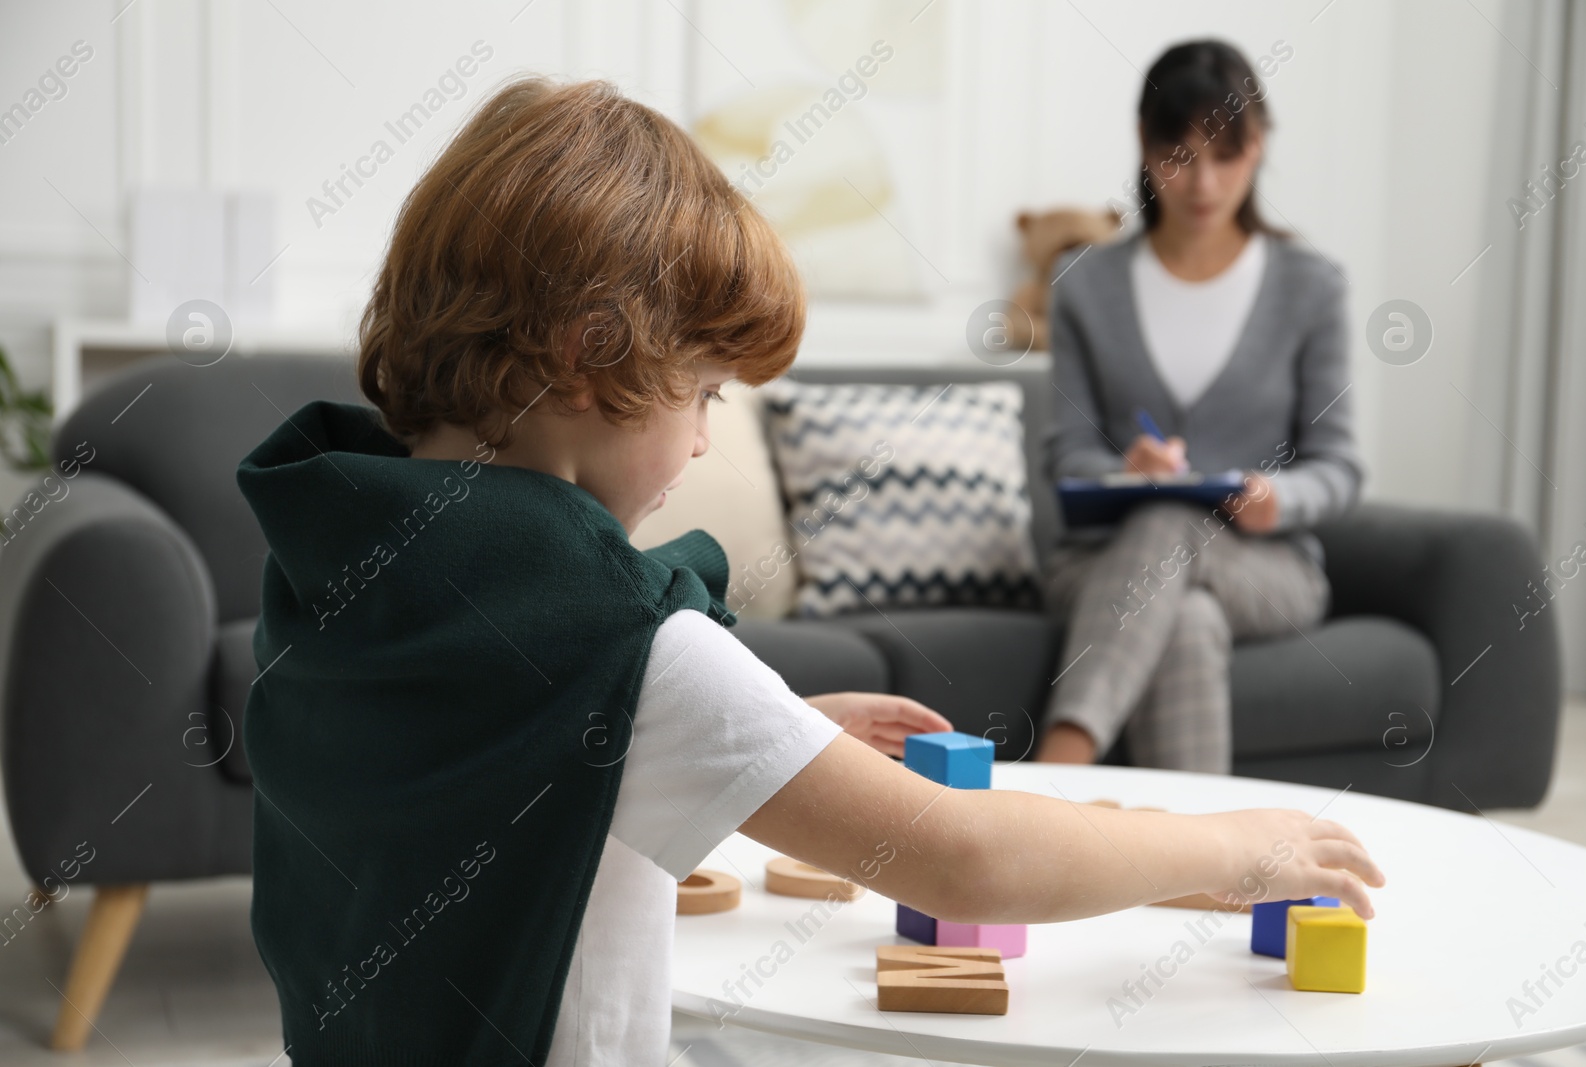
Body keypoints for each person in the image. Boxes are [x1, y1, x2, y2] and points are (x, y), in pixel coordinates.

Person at [236, 74, 1383, 1065]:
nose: (699, 438)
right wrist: (1239, 847)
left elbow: (500, 769)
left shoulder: (342, 559)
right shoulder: (616, 645)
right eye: (704, 393)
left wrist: (770, 732)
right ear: (586, 362)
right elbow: (968, 861)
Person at [1035, 39, 1362, 774]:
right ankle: (1203, 874)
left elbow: (1340, 466)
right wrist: (1126, 467)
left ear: (1260, 145)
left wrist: (1281, 496)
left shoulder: (1312, 287)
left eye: (1226, 155)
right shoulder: (1085, 283)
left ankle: (1058, 765)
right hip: (1103, 564)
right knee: (1186, 614)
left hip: (1267, 567)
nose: (1203, 183)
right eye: (1178, 156)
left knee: (1173, 524)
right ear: (1143, 148)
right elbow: (1066, 454)